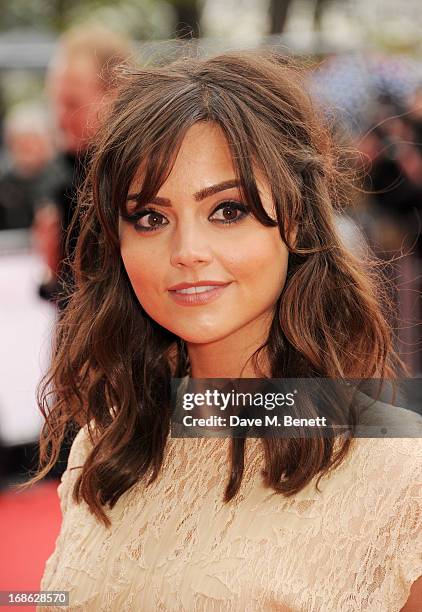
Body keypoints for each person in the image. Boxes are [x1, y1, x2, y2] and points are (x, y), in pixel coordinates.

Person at [24, 51, 421, 610]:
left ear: (296, 220)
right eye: (150, 218)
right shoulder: (107, 443)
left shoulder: (400, 474)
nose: (187, 252)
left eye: (228, 211)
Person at [32, 24, 132, 309]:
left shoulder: (138, 178)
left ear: (116, 93)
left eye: (71, 103)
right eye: (55, 103)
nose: (60, 118)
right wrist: (52, 271)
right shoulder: (64, 174)